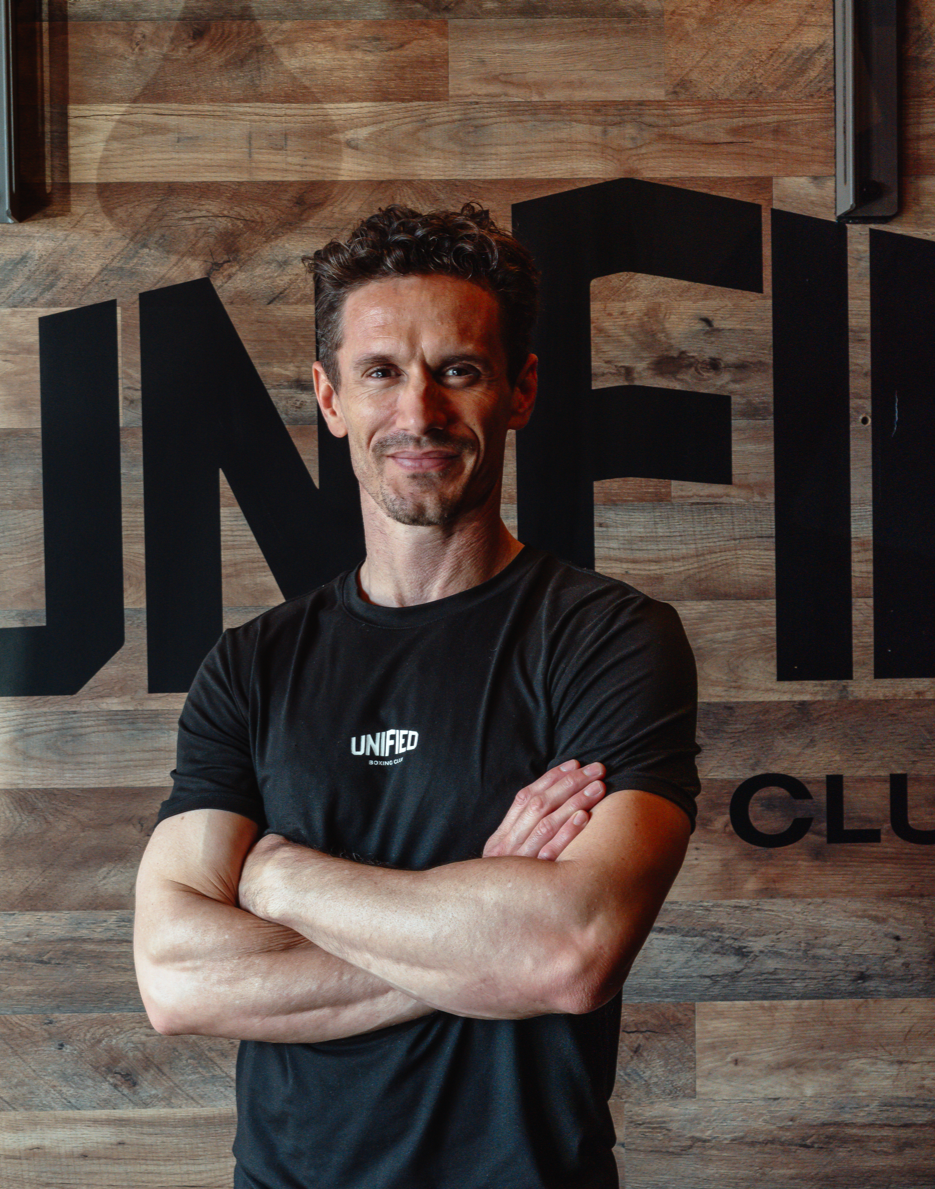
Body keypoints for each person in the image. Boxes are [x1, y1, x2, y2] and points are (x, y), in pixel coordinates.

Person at [133, 203, 700, 1189]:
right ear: (329, 396)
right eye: (381, 372)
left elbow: (567, 952)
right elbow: (176, 978)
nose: (419, 413)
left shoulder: (607, 639)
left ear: (518, 389)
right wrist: (478, 901)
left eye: (459, 369)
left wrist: (276, 879)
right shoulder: (252, 668)